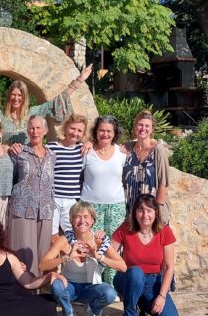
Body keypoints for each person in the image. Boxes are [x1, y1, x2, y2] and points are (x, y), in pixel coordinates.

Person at [39, 202, 126, 316]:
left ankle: (91, 311)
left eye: (86, 217)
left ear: (92, 221)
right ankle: (68, 313)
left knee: (110, 293)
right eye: (77, 217)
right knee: (56, 285)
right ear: (71, 220)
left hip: (90, 288)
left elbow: (123, 267)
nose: (82, 221)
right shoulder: (65, 239)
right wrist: (66, 257)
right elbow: (42, 265)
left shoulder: (99, 241)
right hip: (69, 287)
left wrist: (98, 256)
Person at [112, 194, 180, 316]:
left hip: (153, 282)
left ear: (156, 212)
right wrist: (98, 245)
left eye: (149, 210)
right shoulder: (125, 228)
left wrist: (161, 296)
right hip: (128, 278)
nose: (145, 215)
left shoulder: (165, 231)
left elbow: (168, 267)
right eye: (140, 210)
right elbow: (110, 252)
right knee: (136, 272)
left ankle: (142, 304)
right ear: (134, 212)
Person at [81, 115, 128, 283]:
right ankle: (94, 284)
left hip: (116, 206)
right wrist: (87, 143)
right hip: (90, 207)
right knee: (93, 245)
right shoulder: (87, 152)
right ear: (96, 132)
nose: (105, 134)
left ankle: (111, 286)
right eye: (102, 130)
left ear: (114, 133)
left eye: (109, 131)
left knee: (113, 247)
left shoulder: (121, 153)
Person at [8, 115, 55, 276]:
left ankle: (38, 286)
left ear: (45, 130)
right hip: (22, 207)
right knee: (23, 252)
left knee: (43, 252)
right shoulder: (18, 152)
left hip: (45, 209)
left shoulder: (52, 155)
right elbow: (10, 178)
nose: (35, 131)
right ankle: (22, 285)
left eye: (38, 128)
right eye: (31, 128)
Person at [0, 65, 92, 144]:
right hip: (6, 158)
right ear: (9, 96)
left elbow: (56, 102)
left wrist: (79, 80)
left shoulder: (32, 112)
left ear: (25, 97)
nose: (16, 98)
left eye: (20, 95)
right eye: (13, 95)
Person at [123, 110, 172, 225]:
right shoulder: (127, 148)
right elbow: (106, 145)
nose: (143, 128)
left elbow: (163, 182)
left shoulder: (158, 150)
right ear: (135, 127)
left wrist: (157, 210)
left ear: (152, 129)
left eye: (147, 126)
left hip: (151, 210)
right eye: (140, 125)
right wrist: (89, 143)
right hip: (131, 209)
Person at [46, 114, 88, 237]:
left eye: (79, 130)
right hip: (53, 199)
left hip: (72, 201)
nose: (75, 133)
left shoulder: (82, 149)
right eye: (72, 128)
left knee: (73, 236)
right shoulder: (51, 147)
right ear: (65, 128)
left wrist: (89, 143)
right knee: (52, 235)